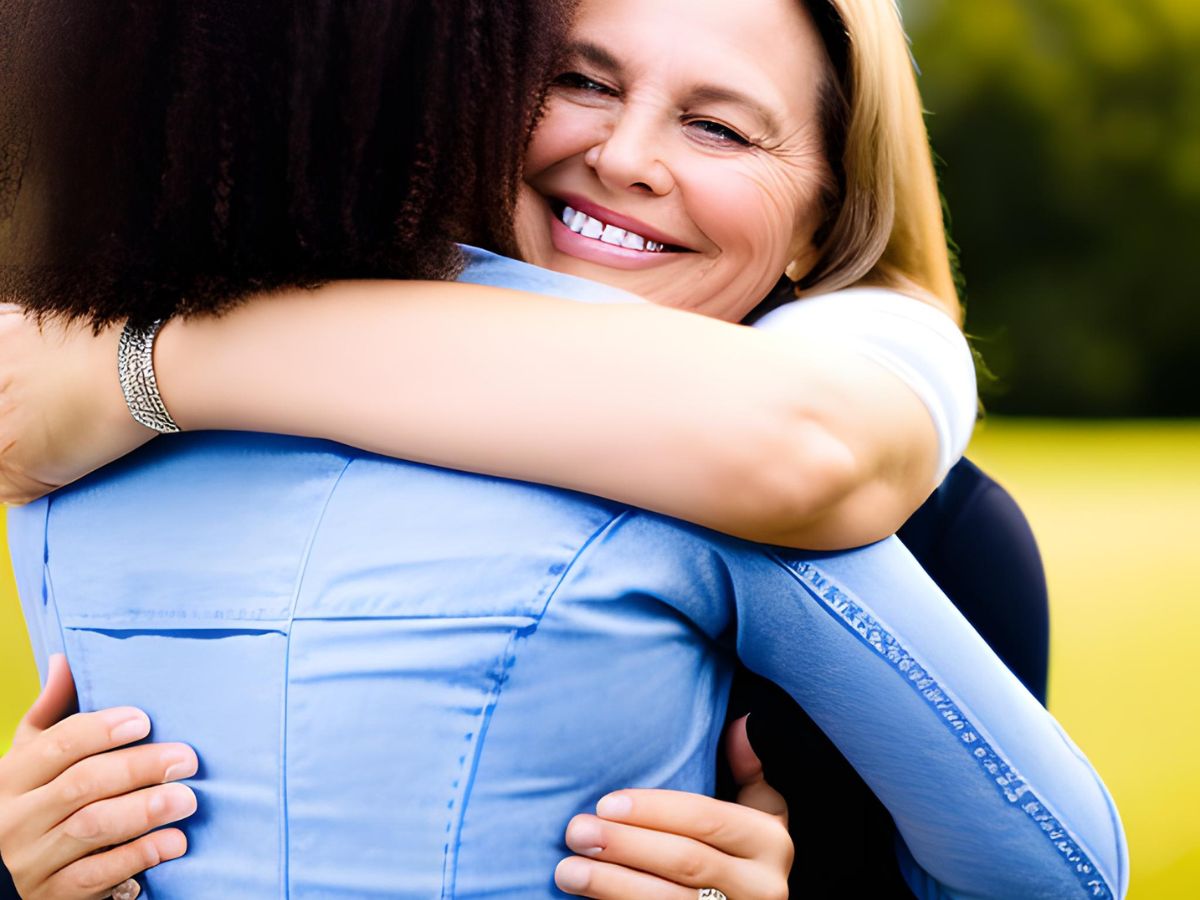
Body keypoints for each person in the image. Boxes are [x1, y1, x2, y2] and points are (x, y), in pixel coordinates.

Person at [0, 0, 1126, 897]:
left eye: (719, 126)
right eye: (581, 81)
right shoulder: (183, 452)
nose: (627, 156)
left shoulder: (941, 536)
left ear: (825, 220)